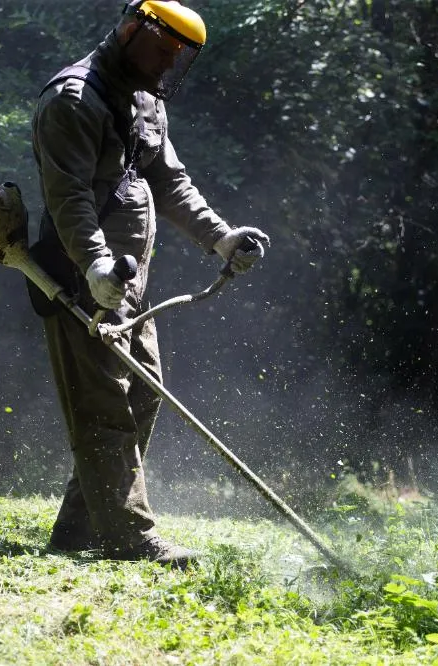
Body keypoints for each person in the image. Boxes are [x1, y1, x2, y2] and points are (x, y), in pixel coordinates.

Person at [32, 0, 270, 569]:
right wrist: (94, 267)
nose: (168, 64)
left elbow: (169, 180)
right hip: (81, 276)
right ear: (133, 30)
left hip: (130, 283)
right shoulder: (73, 99)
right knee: (103, 407)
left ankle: (78, 527)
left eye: (178, 56)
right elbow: (70, 200)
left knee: (143, 395)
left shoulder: (144, 97)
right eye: (163, 50)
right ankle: (131, 536)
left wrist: (221, 238)